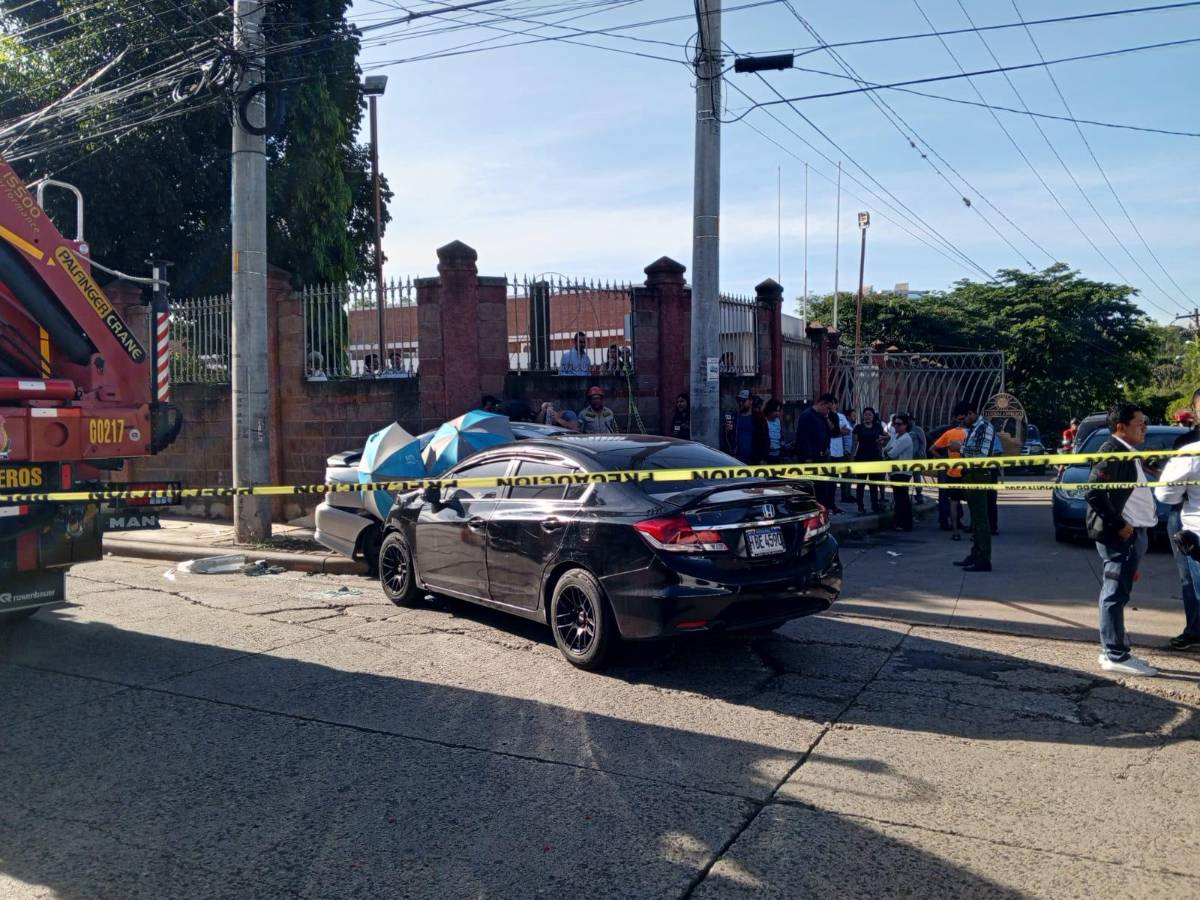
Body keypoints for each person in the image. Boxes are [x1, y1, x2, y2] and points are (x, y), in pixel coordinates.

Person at [1086, 403, 1158, 676]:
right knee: (1115, 593)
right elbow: (1094, 492)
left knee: (1119, 592)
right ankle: (1115, 654)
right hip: (1121, 535)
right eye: (1140, 423)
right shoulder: (1111, 452)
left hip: (1135, 532)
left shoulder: (1128, 453)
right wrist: (1119, 524)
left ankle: (1115, 650)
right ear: (1121, 427)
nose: (1145, 427)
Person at [1157, 390, 1200, 651]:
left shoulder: (1191, 450)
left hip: (1192, 520)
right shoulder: (1186, 443)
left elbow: (1165, 490)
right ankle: (1194, 630)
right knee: (1188, 579)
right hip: (1183, 517)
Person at [949, 399, 995, 573]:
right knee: (975, 519)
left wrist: (959, 449)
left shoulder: (984, 427)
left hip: (978, 474)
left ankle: (984, 559)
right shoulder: (974, 428)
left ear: (970, 413)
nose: (961, 423)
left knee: (981, 519)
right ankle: (975, 554)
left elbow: (981, 454)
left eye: (962, 419)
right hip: (970, 474)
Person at [796, 394, 837, 510]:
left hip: (823, 458)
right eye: (827, 408)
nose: (828, 411)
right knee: (813, 490)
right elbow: (804, 439)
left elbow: (831, 432)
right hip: (812, 459)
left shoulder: (822, 417)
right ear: (821, 404)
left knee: (823, 490)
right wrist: (808, 458)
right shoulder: (807, 416)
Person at [931, 418, 969, 539]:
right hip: (968, 472)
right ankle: (974, 532)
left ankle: (955, 532)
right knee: (973, 503)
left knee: (953, 502)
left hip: (952, 473)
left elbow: (932, 449)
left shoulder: (948, 433)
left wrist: (945, 461)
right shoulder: (971, 433)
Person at [883, 414, 915, 531]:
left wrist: (887, 452)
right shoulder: (895, 436)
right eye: (894, 423)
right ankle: (899, 521)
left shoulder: (906, 438)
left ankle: (905, 523)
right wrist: (887, 451)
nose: (896, 426)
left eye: (899, 424)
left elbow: (892, 453)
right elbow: (886, 449)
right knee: (898, 498)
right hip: (894, 472)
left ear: (906, 425)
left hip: (902, 472)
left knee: (902, 499)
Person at [851, 407, 886, 513]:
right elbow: (855, 443)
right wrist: (852, 456)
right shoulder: (858, 427)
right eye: (865, 414)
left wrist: (881, 441)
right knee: (860, 483)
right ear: (863, 416)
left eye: (870, 415)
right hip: (861, 457)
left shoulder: (878, 426)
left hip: (875, 457)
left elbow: (887, 436)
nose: (867, 417)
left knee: (873, 483)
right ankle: (860, 506)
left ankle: (874, 505)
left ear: (873, 416)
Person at [908, 415, 928, 505]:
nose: (910, 421)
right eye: (908, 420)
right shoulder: (904, 429)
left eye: (911, 420)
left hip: (916, 458)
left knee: (917, 478)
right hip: (906, 459)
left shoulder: (918, 430)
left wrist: (921, 451)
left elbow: (923, 443)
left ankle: (919, 495)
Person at [764, 398, 784, 463]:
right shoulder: (763, 421)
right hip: (767, 455)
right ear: (770, 410)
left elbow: (780, 436)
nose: (777, 413)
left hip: (778, 455)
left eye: (779, 411)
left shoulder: (778, 421)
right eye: (775, 411)